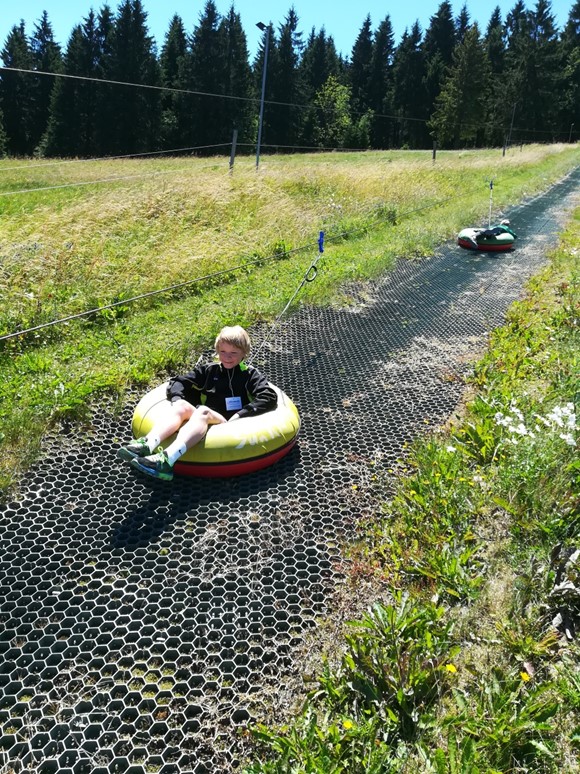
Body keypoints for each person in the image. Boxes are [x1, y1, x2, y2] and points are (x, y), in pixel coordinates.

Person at [118, 325, 278, 481]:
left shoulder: (249, 374)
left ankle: (166, 460)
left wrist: (240, 414)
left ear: (244, 353)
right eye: (223, 352)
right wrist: (176, 399)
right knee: (182, 405)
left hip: (229, 423)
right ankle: (147, 444)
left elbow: (268, 396)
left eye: (233, 353)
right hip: (204, 419)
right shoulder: (210, 371)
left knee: (203, 411)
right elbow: (178, 382)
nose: (227, 357)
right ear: (217, 351)